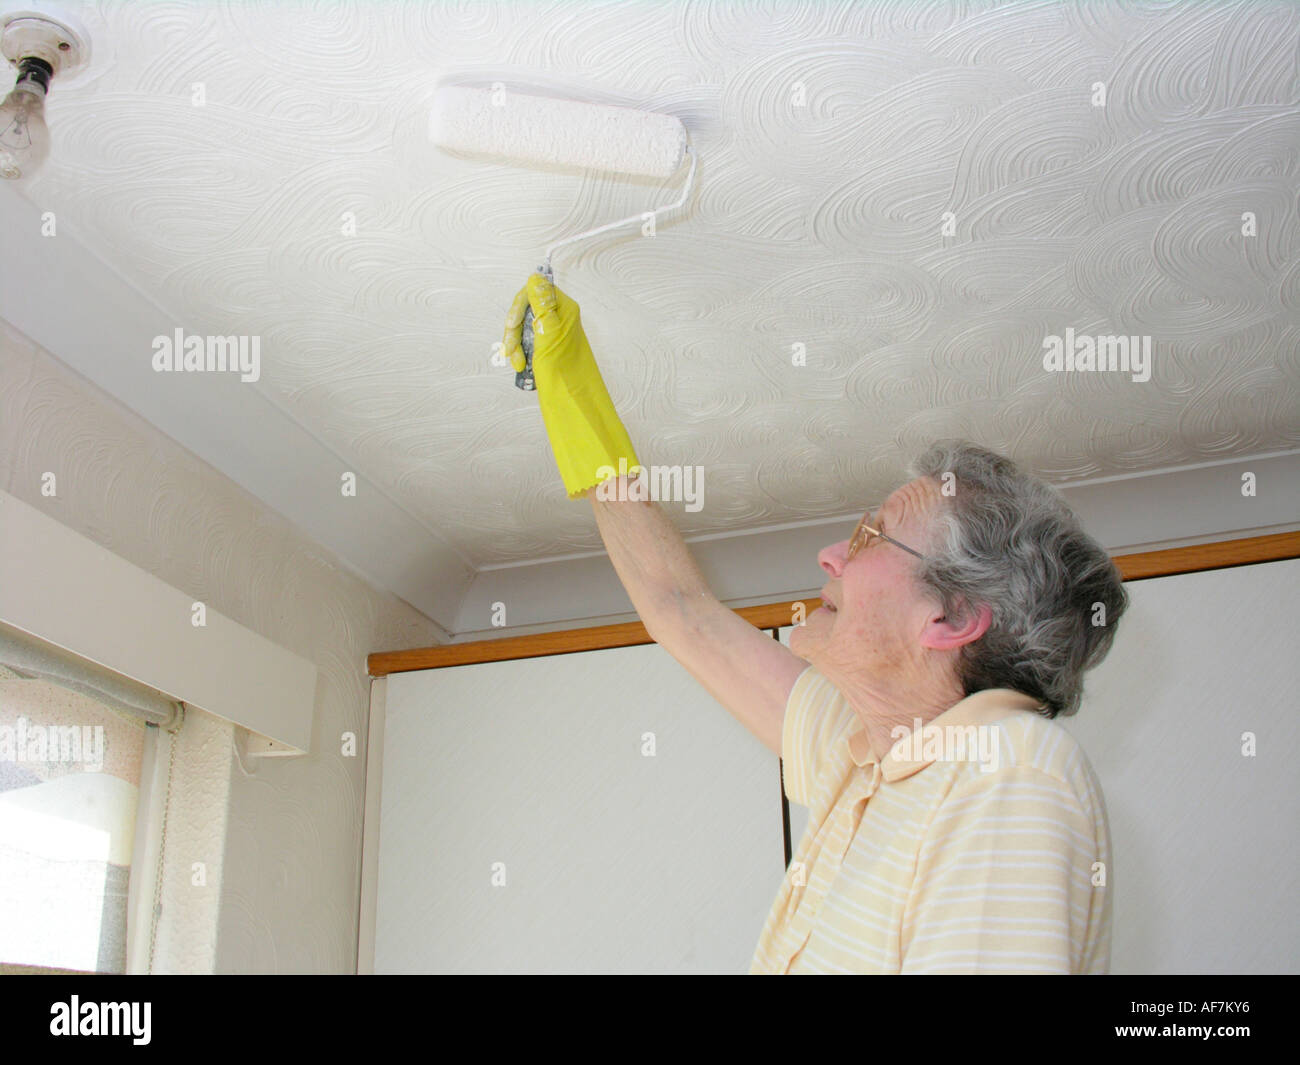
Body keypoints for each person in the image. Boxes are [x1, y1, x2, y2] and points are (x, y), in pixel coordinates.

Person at [503, 273, 1128, 974]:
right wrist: (570, 389)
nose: (830, 554)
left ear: (951, 616)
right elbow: (682, 612)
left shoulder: (1009, 772)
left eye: (869, 535)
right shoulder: (865, 752)